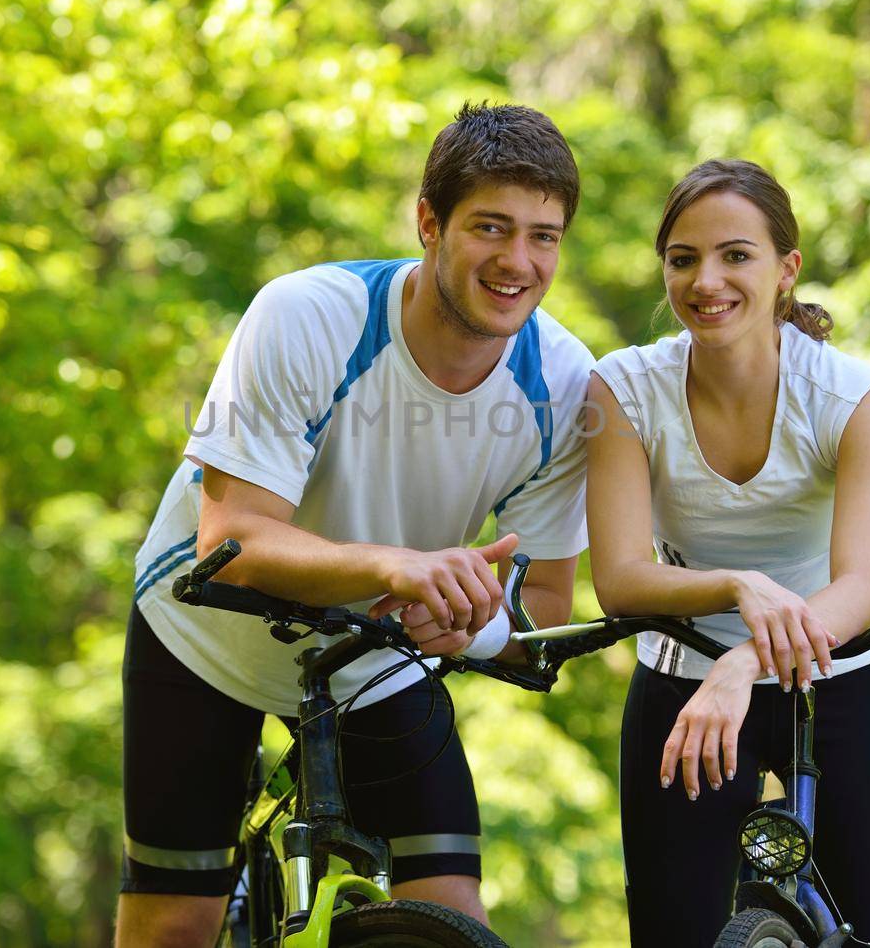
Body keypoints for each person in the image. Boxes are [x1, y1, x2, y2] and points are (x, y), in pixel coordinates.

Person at [118, 103, 595, 947]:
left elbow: (546, 601)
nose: (518, 261)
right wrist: (399, 568)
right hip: (204, 634)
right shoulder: (308, 315)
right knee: (174, 926)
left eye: (544, 236)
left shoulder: (564, 381)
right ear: (428, 222)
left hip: (374, 655)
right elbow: (230, 546)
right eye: (491, 227)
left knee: (450, 917)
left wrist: (467, 621)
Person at [586, 159, 870, 947]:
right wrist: (741, 588)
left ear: (787, 269)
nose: (706, 280)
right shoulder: (623, 391)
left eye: (735, 255)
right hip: (685, 682)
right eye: (683, 259)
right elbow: (620, 581)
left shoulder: (854, 396)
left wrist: (745, 662)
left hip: (844, 675)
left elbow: (863, 586)